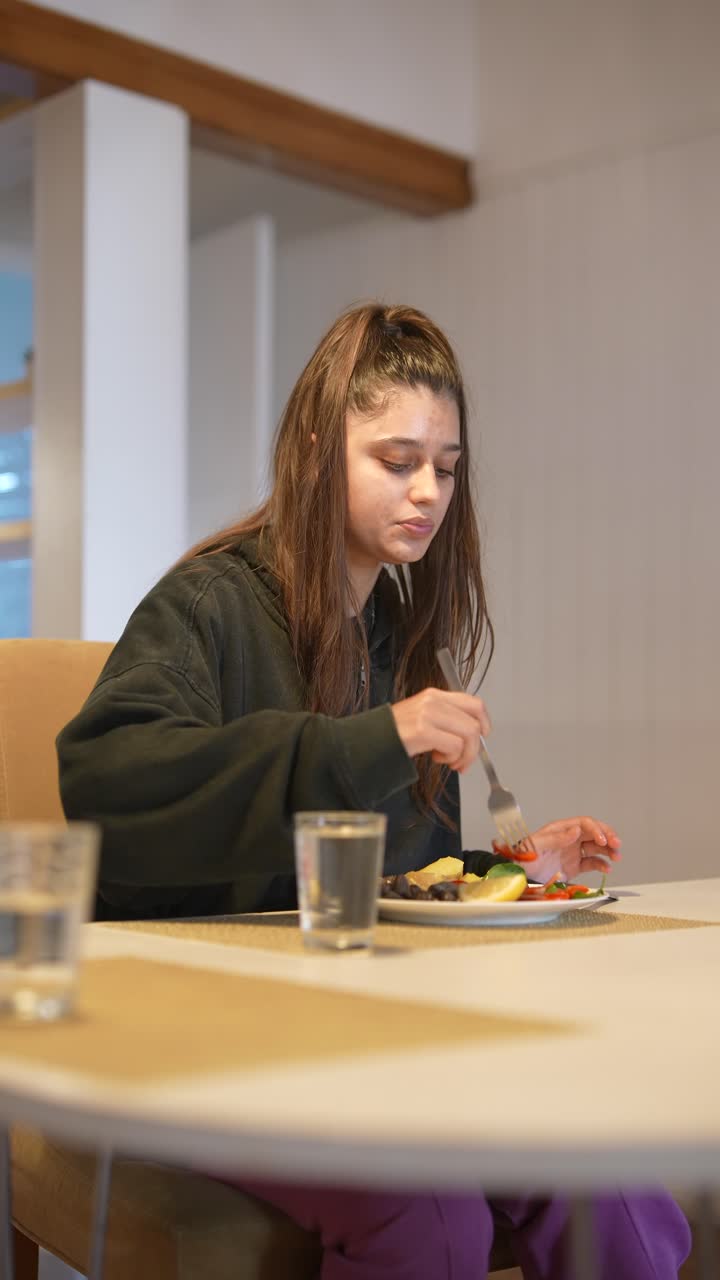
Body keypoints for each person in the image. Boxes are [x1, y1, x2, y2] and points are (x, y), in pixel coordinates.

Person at [57, 303, 690, 1278]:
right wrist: (369, 740)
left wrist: (505, 871)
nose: (427, 491)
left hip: (367, 1026)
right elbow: (109, 789)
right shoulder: (208, 604)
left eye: (446, 465)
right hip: (201, 1034)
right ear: (316, 449)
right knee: (429, 1214)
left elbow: (390, 878)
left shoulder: (394, 638)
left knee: (610, 1179)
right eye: (397, 460)